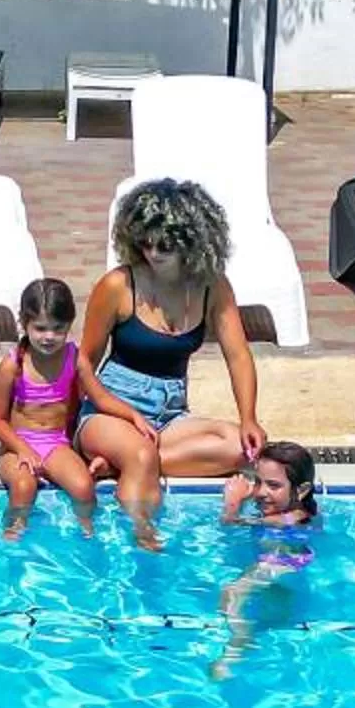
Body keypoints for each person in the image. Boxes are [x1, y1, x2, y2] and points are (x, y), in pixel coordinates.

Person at [76, 177, 266, 548]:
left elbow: (238, 355)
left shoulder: (213, 286)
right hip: (111, 409)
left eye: (164, 244)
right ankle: (142, 535)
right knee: (141, 451)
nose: (153, 252)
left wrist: (248, 417)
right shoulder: (118, 286)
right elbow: (84, 363)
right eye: (145, 240)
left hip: (170, 414)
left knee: (244, 449)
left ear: (191, 242)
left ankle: (124, 464)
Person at [0, 276, 97, 537]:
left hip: (56, 444)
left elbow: (98, 398)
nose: (49, 337)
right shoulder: (12, 365)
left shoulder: (74, 358)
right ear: (24, 324)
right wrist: (22, 449)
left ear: (70, 324)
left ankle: (88, 535)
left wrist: (133, 418)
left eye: (58, 329)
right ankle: (13, 534)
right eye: (40, 328)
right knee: (24, 486)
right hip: (16, 447)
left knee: (83, 488)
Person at [211, 439, 319, 678]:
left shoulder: (280, 519)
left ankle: (237, 644)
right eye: (258, 482)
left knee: (231, 592)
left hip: (279, 564)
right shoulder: (302, 512)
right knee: (276, 613)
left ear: (301, 490)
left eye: (273, 485)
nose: (261, 492)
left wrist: (233, 502)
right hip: (291, 564)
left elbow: (229, 524)